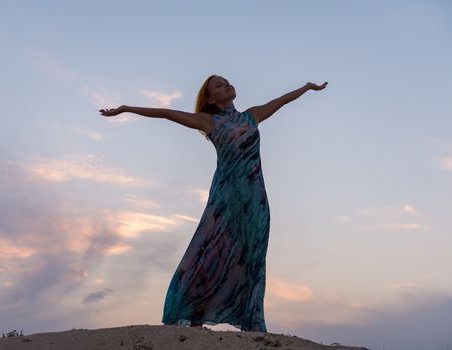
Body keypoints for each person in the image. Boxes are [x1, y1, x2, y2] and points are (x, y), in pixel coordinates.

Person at [100, 75, 328, 332]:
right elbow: (164, 113)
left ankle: (251, 322)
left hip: (255, 200)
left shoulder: (252, 116)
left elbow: (284, 100)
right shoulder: (208, 121)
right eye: (219, 85)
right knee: (206, 253)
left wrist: (307, 88)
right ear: (210, 99)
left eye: (227, 81)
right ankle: (190, 310)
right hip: (224, 202)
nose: (227, 85)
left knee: (253, 258)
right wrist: (125, 109)